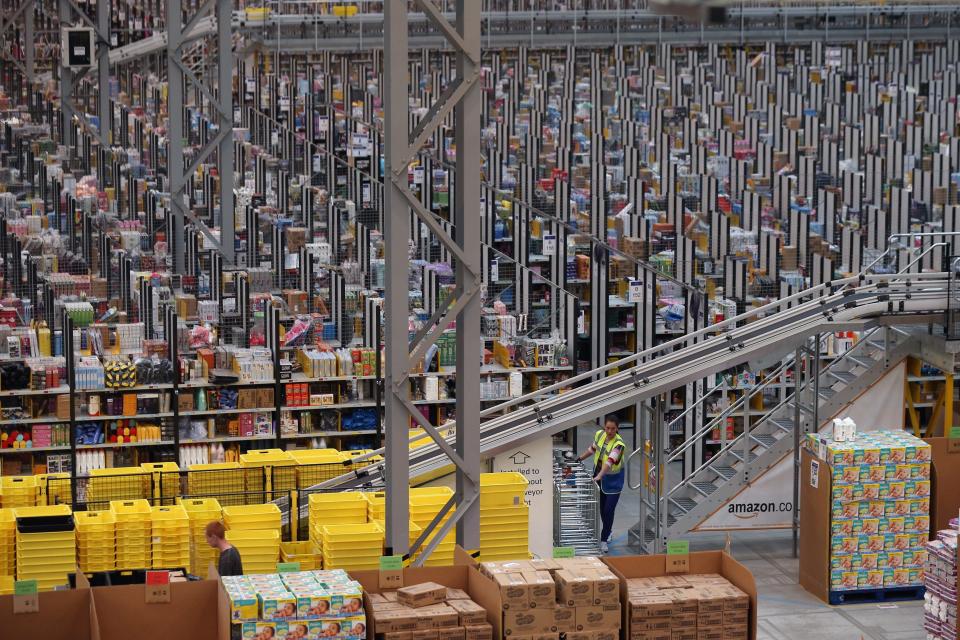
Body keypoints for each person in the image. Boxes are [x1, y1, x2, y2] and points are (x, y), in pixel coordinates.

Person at [576, 415, 626, 554]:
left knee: (608, 510)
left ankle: (604, 539)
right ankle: (608, 530)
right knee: (601, 508)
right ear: (604, 427)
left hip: (613, 481)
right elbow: (592, 449)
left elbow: (609, 462)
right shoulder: (599, 435)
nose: (609, 431)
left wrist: (599, 476)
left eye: (613, 429)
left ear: (617, 429)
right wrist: (579, 458)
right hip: (598, 475)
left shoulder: (619, 445)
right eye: (607, 428)